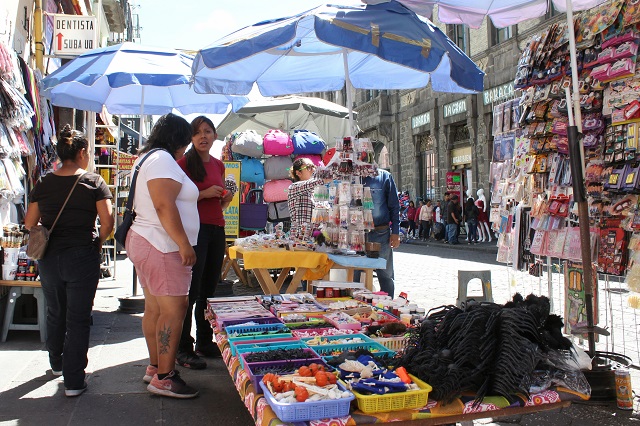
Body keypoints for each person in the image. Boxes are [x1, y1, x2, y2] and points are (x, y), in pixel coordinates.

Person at [24, 125, 114, 397]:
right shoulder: (93, 182)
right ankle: (73, 381)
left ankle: (56, 364)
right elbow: (108, 223)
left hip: (50, 258)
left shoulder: (44, 182)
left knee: (55, 311)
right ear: (83, 153)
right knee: (78, 318)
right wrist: (97, 242)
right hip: (82, 256)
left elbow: (30, 222)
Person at [125, 113, 200, 399]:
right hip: (162, 244)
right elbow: (163, 205)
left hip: (150, 241)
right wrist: (184, 244)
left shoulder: (149, 157)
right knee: (173, 309)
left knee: (156, 307)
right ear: (179, 139)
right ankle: (165, 377)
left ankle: (156, 368)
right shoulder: (163, 160)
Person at [175, 116, 233, 370]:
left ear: (215, 136)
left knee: (209, 290)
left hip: (216, 229)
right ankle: (183, 347)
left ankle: (205, 341)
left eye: (207, 131)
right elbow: (173, 198)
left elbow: (220, 205)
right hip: (193, 231)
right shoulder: (183, 163)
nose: (203, 136)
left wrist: (225, 198)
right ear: (191, 137)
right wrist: (202, 194)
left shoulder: (219, 165)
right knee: (191, 291)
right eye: (197, 132)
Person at [355, 169, 400, 298]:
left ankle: (388, 306)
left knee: (385, 274)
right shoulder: (349, 176)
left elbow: (394, 205)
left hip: (380, 232)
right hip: (355, 234)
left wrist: (395, 232)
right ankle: (356, 306)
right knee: (356, 274)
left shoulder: (383, 177)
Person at [287, 157, 331, 239]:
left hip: (316, 240)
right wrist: (325, 179)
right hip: (300, 239)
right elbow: (310, 184)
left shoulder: (317, 191)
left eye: (314, 166)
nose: (313, 170)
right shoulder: (294, 187)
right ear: (298, 173)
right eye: (309, 167)